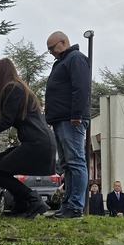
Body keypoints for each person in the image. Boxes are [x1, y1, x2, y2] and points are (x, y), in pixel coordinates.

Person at [0, 58, 56, 219]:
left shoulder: (13, 88)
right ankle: (22, 205)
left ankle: (33, 200)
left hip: (37, 144)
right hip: (39, 142)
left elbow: (6, 122)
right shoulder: (19, 88)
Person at [44, 31, 91, 219]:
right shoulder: (64, 61)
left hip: (71, 119)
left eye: (51, 48)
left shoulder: (76, 58)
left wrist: (76, 114)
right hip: (61, 119)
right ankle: (68, 206)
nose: (50, 52)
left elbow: (81, 87)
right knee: (67, 164)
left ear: (62, 42)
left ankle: (75, 207)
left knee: (76, 162)